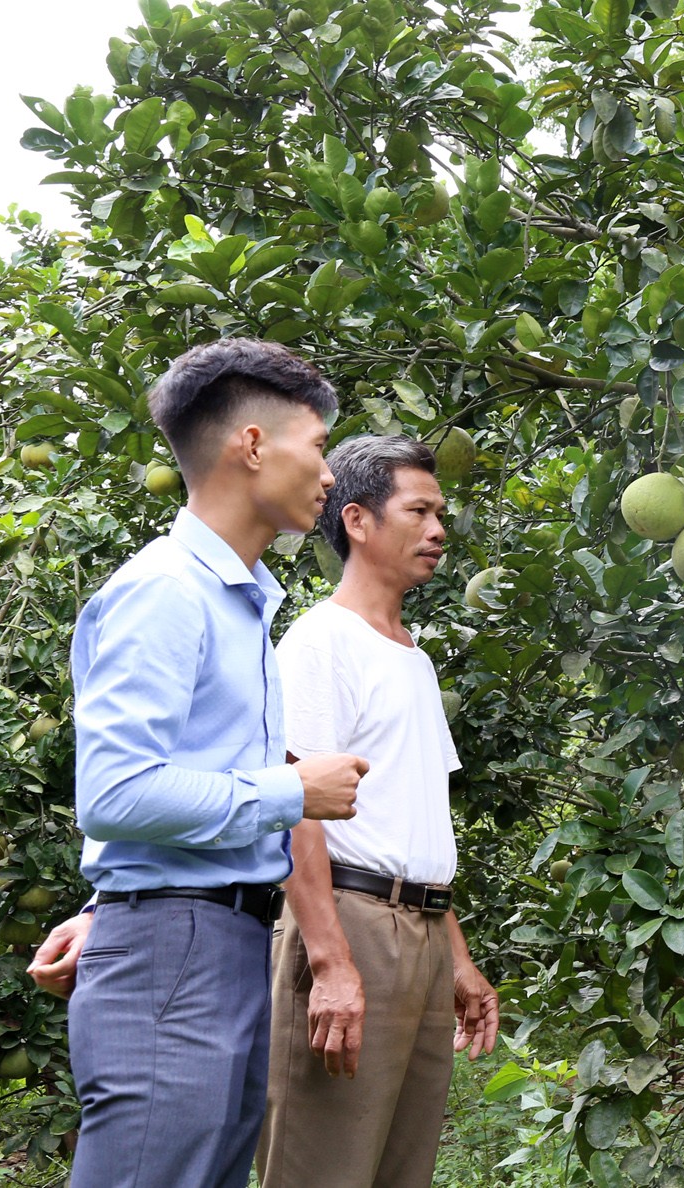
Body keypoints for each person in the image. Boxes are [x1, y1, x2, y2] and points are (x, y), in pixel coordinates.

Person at [25, 338, 368, 1187]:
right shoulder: (167, 592)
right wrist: (293, 788)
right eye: (318, 446)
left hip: (214, 938)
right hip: (178, 951)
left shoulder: (237, 603)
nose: (328, 475)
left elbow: (164, 784)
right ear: (253, 445)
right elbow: (116, 794)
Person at [255, 434, 499, 1188]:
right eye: (419, 511)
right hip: (353, 922)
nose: (438, 531)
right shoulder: (322, 643)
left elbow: (417, 821)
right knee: (323, 1166)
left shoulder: (413, 657)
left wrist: (457, 960)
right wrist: (328, 962)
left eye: (441, 514)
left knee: (401, 1169)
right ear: (358, 522)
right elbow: (298, 811)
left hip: (420, 930)